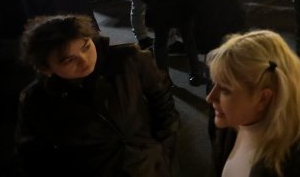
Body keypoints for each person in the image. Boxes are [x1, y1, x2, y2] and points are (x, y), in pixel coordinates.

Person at [15, 15, 179, 175]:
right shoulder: (36, 100)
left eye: (86, 47)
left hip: (148, 160)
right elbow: (32, 154)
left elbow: (161, 97)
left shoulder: (129, 59)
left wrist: (163, 146)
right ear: (46, 68)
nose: (84, 60)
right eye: (68, 60)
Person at [206, 30, 300, 176]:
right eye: (214, 84)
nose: (210, 97)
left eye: (225, 90)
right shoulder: (232, 123)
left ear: (263, 98)